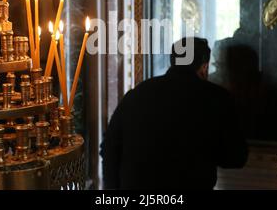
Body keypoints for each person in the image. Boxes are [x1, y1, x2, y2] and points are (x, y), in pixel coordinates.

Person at [101, 37, 248, 190]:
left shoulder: (137, 93)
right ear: (204, 67)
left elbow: (108, 148)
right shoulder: (218, 98)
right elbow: (237, 157)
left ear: (173, 61)